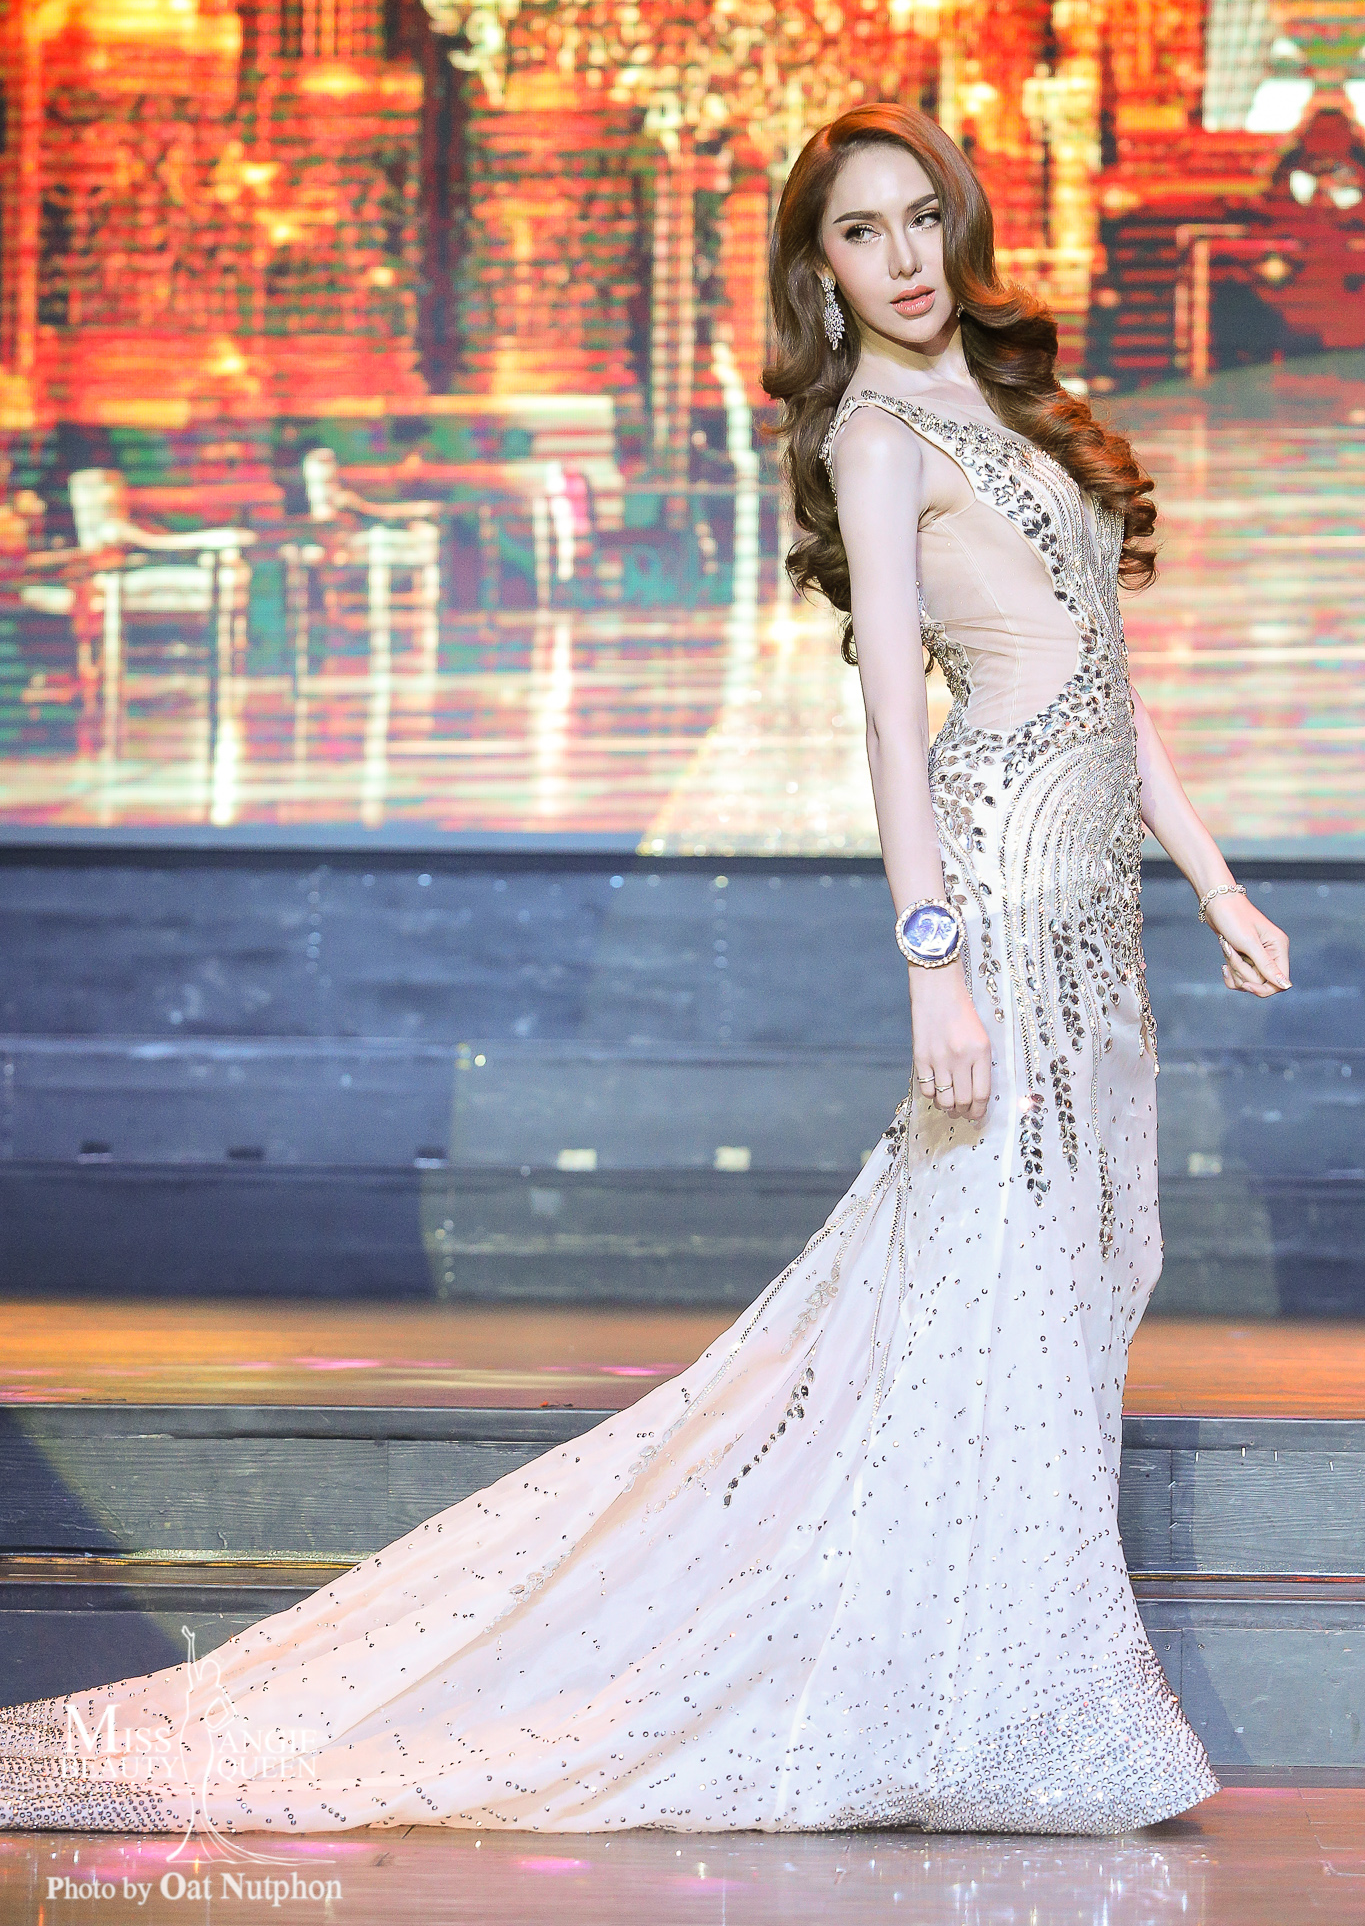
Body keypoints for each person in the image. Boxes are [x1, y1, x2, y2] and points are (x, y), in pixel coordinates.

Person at [0, 105, 1288, 1839]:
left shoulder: (1014, 406)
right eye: (860, 233)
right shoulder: (877, 437)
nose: (903, 257)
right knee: (993, 1266)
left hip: (1094, 906)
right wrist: (928, 961)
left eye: (920, 217)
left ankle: (995, 1665)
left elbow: (1106, 680)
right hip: (990, 891)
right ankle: (992, 1685)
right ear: (817, 271)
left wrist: (1212, 878)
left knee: (1071, 1268)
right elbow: (891, 729)